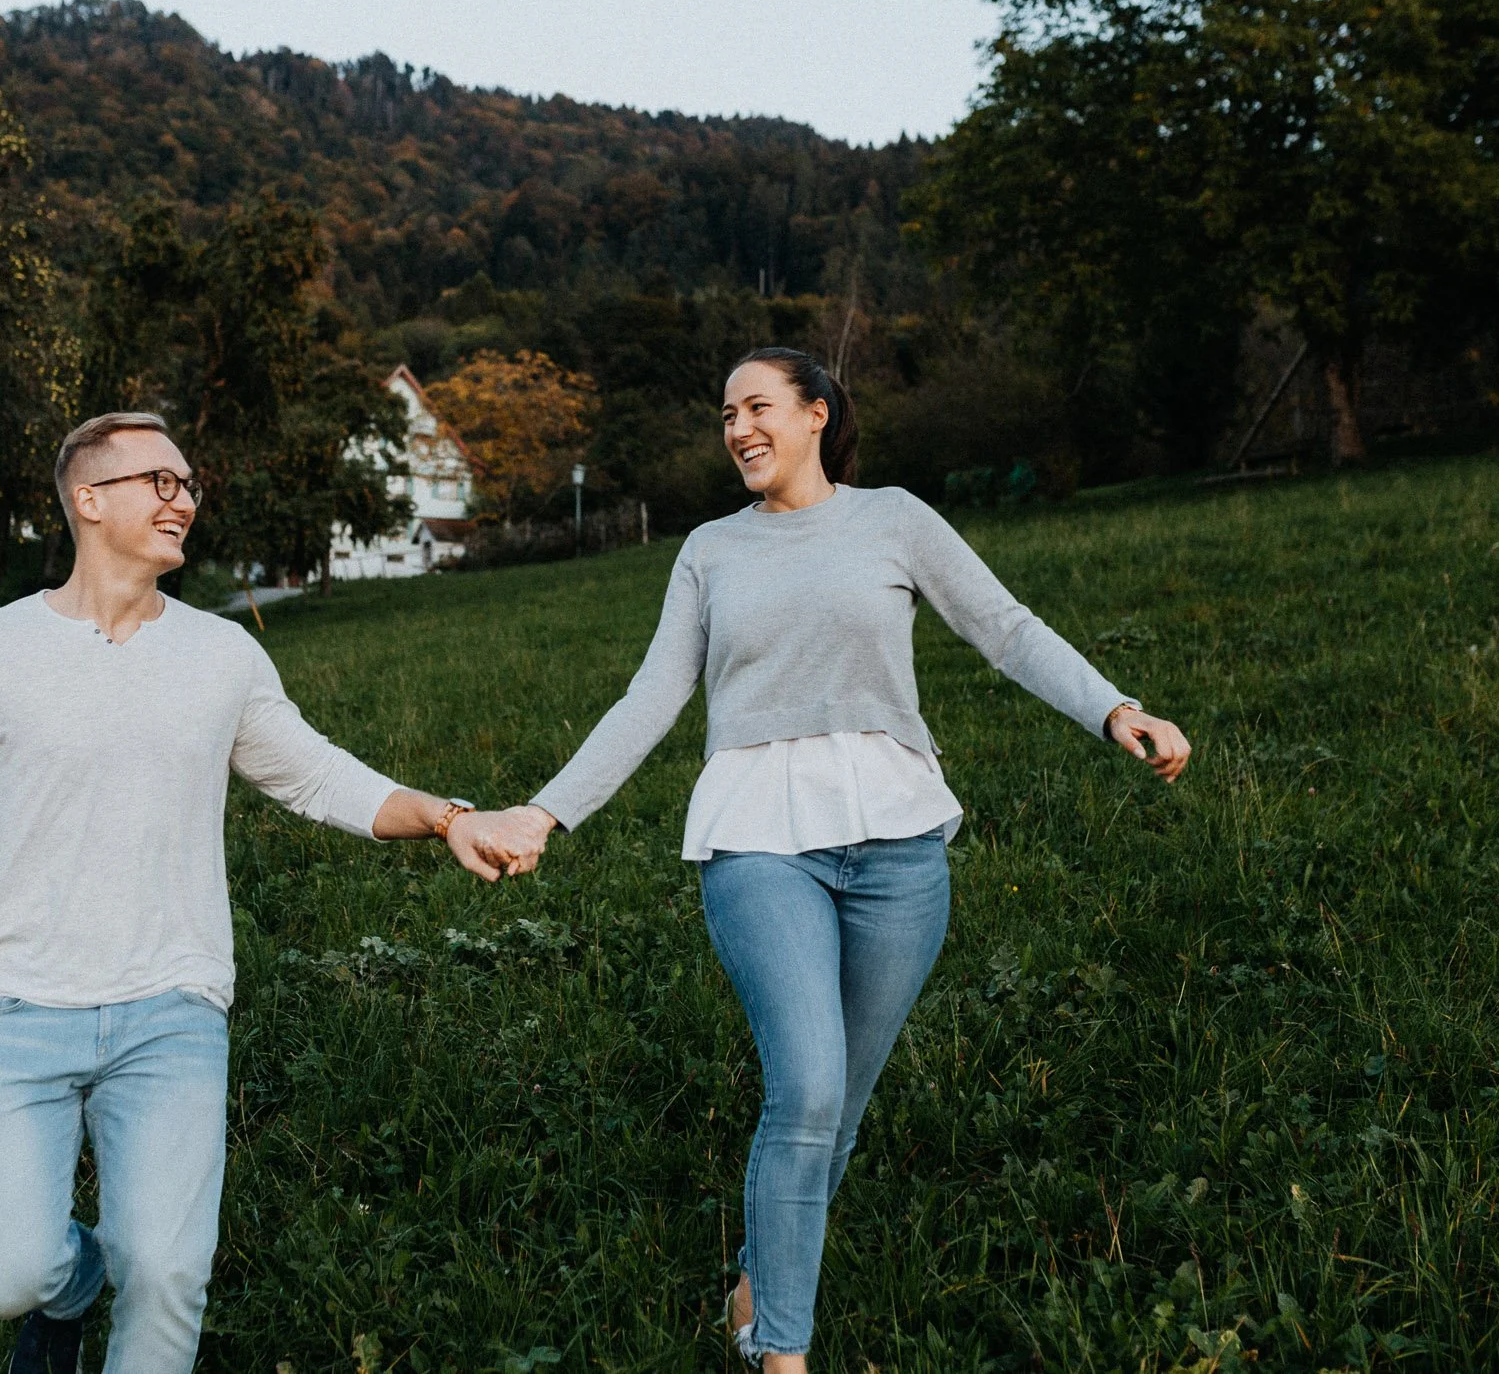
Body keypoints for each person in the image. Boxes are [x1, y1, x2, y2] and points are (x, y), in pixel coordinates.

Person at [474, 349, 1191, 1371]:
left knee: (839, 1105)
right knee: (806, 1088)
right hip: (761, 838)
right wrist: (548, 812)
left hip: (897, 845)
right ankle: (782, 1354)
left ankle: (762, 1270)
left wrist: (1115, 707)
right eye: (725, 413)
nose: (737, 428)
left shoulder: (892, 518)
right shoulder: (711, 551)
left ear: (817, 414)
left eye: (757, 406)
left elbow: (1005, 630)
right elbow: (650, 698)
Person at [0, 411, 518, 1373]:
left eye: (190, 484)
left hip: (171, 1008)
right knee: (6, 1274)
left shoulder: (220, 657)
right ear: (88, 499)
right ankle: (68, 1291)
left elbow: (318, 777)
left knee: (167, 1273)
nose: (183, 500)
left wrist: (448, 816)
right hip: (13, 1007)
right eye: (160, 481)